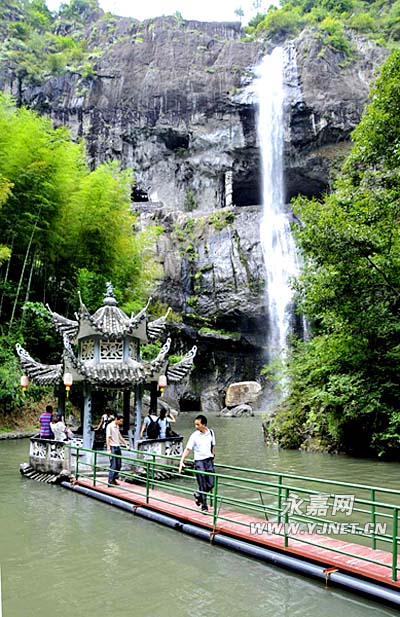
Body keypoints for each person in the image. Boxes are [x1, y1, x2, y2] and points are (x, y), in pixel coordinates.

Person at [178, 414, 216, 513]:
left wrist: (213, 458)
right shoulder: (194, 435)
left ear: (204, 424)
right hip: (199, 461)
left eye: (198, 425)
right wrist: (181, 461)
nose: (196, 427)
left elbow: (212, 447)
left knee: (211, 483)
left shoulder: (211, 433)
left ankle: (198, 494)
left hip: (209, 461)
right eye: (195, 425)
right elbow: (188, 449)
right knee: (202, 484)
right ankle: (204, 506)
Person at [106, 414, 128, 486]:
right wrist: (108, 449)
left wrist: (126, 444)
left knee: (119, 464)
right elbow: (108, 438)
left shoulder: (117, 426)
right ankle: (110, 481)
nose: (121, 423)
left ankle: (114, 479)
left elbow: (119, 436)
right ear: (116, 419)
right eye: (120, 421)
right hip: (112, 447)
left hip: (117, 446)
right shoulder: (110, 426)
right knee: (113, 465)